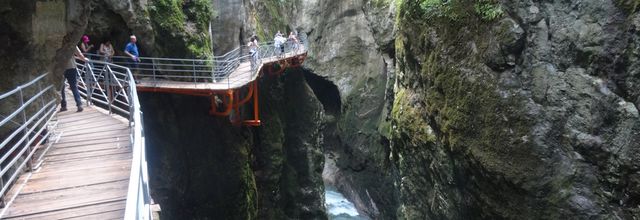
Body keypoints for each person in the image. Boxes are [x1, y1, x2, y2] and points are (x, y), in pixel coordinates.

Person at [60, 46, 87, 112]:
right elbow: (79, 54)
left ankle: (64, 106)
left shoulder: (58, 43)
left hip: (61, 68)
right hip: (71, 67)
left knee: (61, 88)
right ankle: (79, 104)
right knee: (74, 87)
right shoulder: (72, 43)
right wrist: (84, 59)